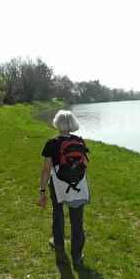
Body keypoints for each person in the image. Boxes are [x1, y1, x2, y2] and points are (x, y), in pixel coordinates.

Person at [39, 110, 88, 265]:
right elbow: (85, 165)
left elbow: (46, 169)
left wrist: (42, 191)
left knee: (58, 212)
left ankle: (59, 243)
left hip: (58, 182)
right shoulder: (79, 141)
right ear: (72, 123)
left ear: (57, 123)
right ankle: (77, 255)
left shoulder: (51, 142)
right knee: (77, 218)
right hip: (76, 182)